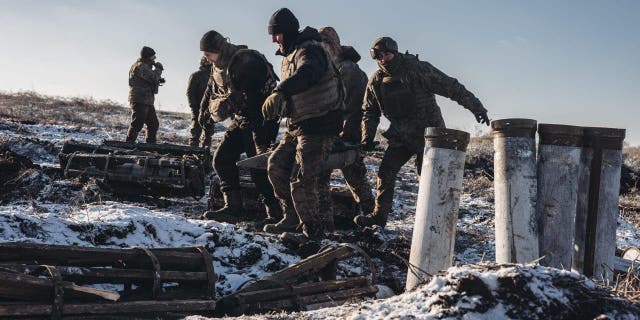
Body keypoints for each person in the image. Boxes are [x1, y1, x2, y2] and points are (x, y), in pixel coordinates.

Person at [353, 36, 490, 228]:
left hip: (429, 136)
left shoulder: (417, 69)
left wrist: (477, 107)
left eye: (387, 54)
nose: (383, 59)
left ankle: (437, 222)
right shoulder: (376, 80)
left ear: (395, 52)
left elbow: (451, 87)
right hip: (401, 135)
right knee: (385, 173)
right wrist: (367, 137)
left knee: (428, 180)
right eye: (378, 56)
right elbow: (370, 112)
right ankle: (379, 218)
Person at [261, 8, 344, 239]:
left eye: (276, 34)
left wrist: (280, 91)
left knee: (303, 178)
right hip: (299, 124)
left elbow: (309, 73)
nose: (273, 39)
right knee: (276, 165)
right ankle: (291, 217)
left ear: (286, 32)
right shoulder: (290, 54)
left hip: (320, 124)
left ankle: (312, 232)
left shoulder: (310, 50)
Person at [198, 30, 282, 224]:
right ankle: (233, 207)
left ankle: (275, 213)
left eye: (209, 55)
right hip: (243, 118)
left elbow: (257, 95)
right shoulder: (217, 67)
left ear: (218, 50)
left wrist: (237, 103)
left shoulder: (246, 60)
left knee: (258, 166)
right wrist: (205, 114)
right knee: (222, 158)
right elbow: (211, 90)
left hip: (262, 119)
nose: (207, 60)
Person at [316, 26, 375, 230]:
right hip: (338, 136)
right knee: (333, 179)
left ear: (333, 45)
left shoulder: (347, 70)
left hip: (345, 138)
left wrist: (342, 136)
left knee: (352, 179)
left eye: (324, 44)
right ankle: (327, 225)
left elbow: (347, 107)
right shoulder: (331, 68)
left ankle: (371, 220)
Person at [126, 46, 164, 144]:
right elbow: (153, 77)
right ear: (148, 57)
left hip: (146, 100)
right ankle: (128, 145)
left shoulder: (144, 66)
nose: (155, 59)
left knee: (153, 124)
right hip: (140, 99)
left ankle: (150, 147)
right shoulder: (141, 66)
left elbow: (149, 79)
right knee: (137, 124)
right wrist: (159, 68)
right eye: (153, 57)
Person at [186, 56, 213, 147]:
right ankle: (192, 153)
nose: (208, 62)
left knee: (208, 133)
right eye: (206, 60)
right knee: (195, 132)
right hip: (197, 107)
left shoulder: (213, 76)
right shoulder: (196, 75)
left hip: (210, 108)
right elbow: (190, 92)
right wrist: (194, 107)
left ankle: (205, 154)